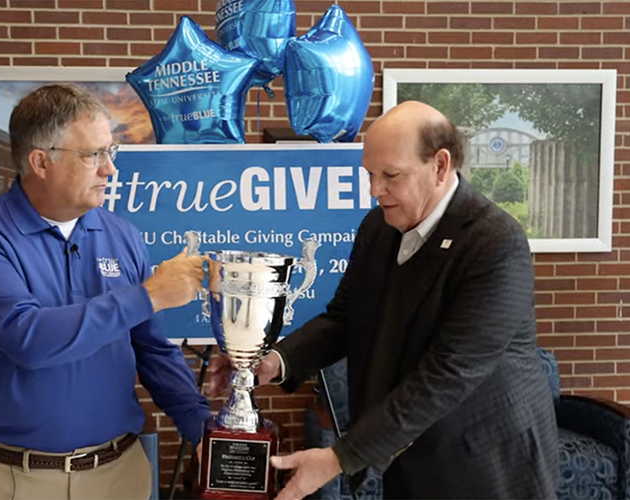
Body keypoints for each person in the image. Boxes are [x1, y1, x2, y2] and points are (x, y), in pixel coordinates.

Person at [210, 100, 559, 499]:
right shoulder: (378, 226)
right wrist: (274, 362)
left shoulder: (494, 242)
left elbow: (449, 373)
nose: (375, 190)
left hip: (487, 465)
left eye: (390, 176)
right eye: (369, 175)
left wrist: (339, 457)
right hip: (406, 459)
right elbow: (344, 319)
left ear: (440, 166)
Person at [0, 83, 210, 500]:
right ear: (40, 162)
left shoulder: (122, 235)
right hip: (15, 479)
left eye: (110, 152)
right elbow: (26, 337)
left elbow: (152, 349)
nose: (110, 170)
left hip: (121, 474)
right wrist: (149, 294)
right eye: (92, 155)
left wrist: (201, 427)